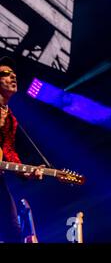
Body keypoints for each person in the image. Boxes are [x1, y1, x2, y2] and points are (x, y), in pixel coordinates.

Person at [0, 56, 43, 243]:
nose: (13, 77)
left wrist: (28, 172)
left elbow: (8, 152)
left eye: (14, 75)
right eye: (6, 74)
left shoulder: (10, 119)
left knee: (12, 231)